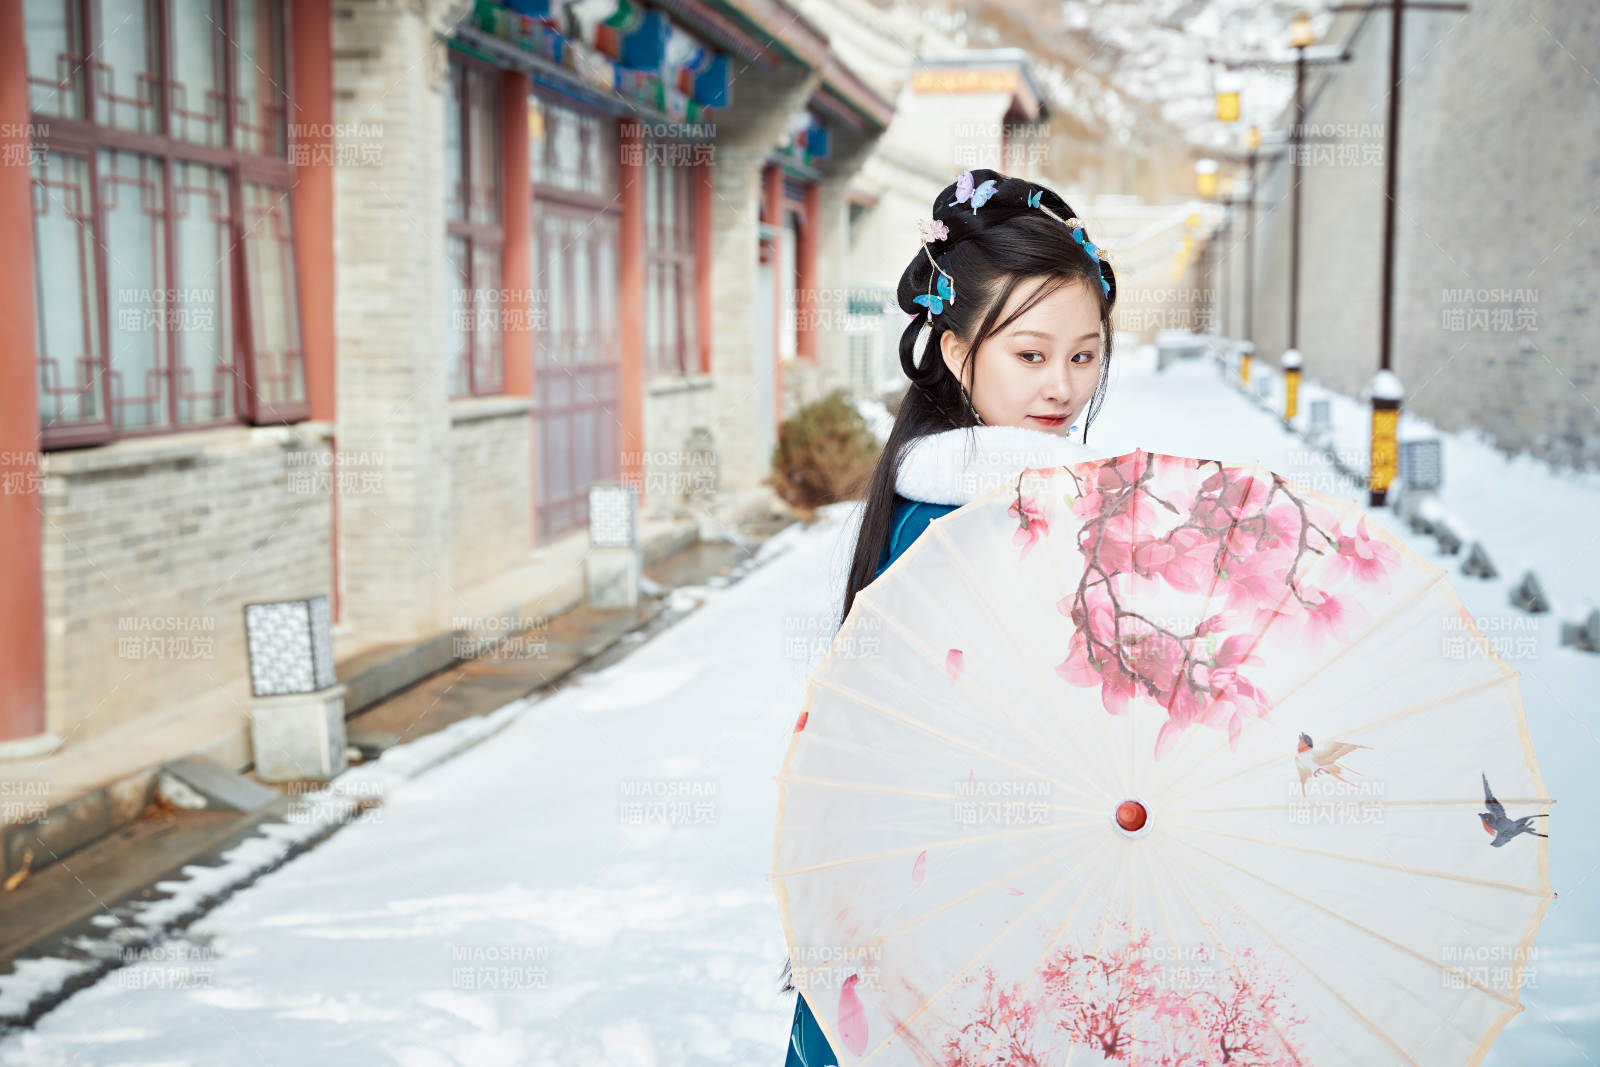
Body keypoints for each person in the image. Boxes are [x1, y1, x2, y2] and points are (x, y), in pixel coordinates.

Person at [780, 168, 1119, 1064]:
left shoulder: (990, 495)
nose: (1063, 385)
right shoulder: (974, 516)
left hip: (939, 885)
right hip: (971, 882)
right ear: (959, 352)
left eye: (1083, 355)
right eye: (1031, 354)